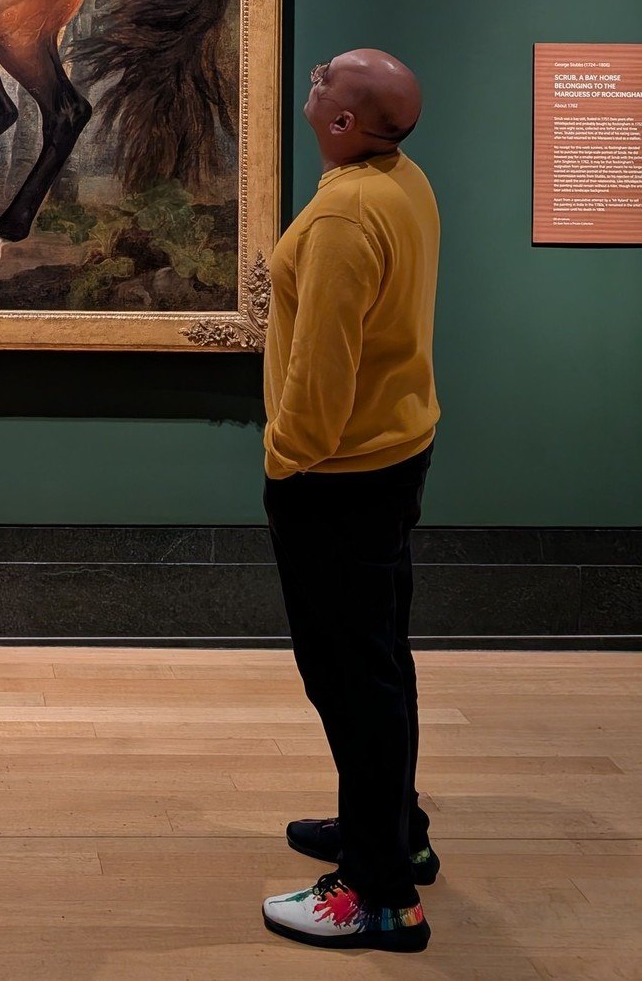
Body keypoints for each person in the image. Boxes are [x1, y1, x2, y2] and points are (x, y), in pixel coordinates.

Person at [259, 48, 441, 954]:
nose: (317, 72)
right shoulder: (402, 180)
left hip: (336, 477)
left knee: (346, 677)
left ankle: (378, 896)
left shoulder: (343, 214)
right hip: (394, 452)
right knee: (377, 660)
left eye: (327, 77)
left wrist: (284, 458)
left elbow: (320, 377)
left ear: (340, 124)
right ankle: (392, 828)